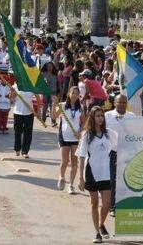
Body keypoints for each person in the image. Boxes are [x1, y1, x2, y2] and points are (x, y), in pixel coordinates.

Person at [76, 106, 116, 243]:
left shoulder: (109, 133)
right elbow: (81, 157)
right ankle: (97, 233)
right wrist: (81, 178)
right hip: (91, 172)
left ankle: (101, 224)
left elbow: (123, 144)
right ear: (92, 118)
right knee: (94, 204)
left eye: (101, 116)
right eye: (97, 116)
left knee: (106, 204)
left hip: (105, 173)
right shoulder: (87, 135)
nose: (100, 118)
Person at [104, 95, 135, 215]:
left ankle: (123, 204)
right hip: (111, 152)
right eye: (119, 102)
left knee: (125, 180)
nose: (122, 104)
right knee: (112, 180)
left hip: (127, 153)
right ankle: (113, 206)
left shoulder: (132, 117)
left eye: (124, 102)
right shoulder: (107, 116)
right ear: (114, 103)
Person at [54, 86, 83, 195]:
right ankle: (61, 177)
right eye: (73, 93)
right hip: (64, 137)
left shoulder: (80, 108)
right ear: (69, 94)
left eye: (77, 94)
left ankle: (71, 185)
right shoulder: (61, 105)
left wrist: (80, 132)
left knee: (74, 161)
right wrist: (54, 105)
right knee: (65, 161)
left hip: (75, 138)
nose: (75, 95)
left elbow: (84, 123)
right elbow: (54, 116)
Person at [10, 85, 37, 159]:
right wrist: (12, 92)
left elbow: (37, 97)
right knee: (18, 131)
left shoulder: (31, 86)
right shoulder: (16, 86)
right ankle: (17, 149)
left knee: (28, 133)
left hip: (29, 112)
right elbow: (11, 98)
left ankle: (25, 151)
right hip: (18, 112)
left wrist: (38, 112)